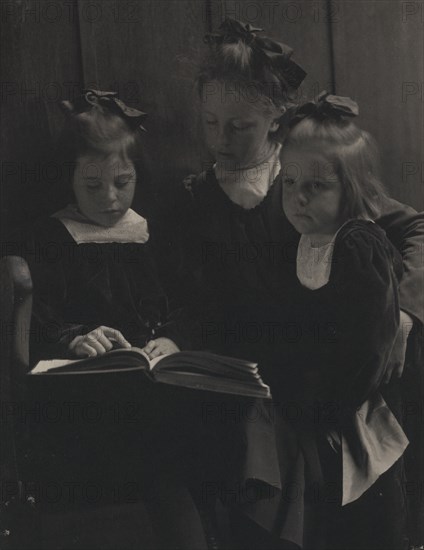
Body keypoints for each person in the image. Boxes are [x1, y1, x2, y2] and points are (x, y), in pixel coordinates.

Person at [174, 18, 424, 549]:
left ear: (275, 121)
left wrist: (404, 313)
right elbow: (192, 299)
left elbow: (415, 229)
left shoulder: (311, 177)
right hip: (254, 385)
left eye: (238, 126)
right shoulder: (196, 199)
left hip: (331, 380)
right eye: (211, 123)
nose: (221, 141)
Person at [22, 89, 208, 550]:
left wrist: (172, 339)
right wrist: (75, 338)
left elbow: (191, 300)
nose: (109, 198)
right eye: (93, 185)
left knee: (175, 455)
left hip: (157, 385)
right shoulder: (53, 237)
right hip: (85, 394)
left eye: (122, 182)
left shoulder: (154, 232)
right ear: (69, 179)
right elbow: (35, 315)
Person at [277, 91, 409, 550]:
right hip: (317, 396)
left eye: (316, 186)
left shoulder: (356, 245)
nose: (298, 198)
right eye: (289, 183)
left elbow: (370, 342)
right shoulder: (302, 240)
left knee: (372, 505)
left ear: (349, 189)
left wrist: (330, 403)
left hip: (360, 396)